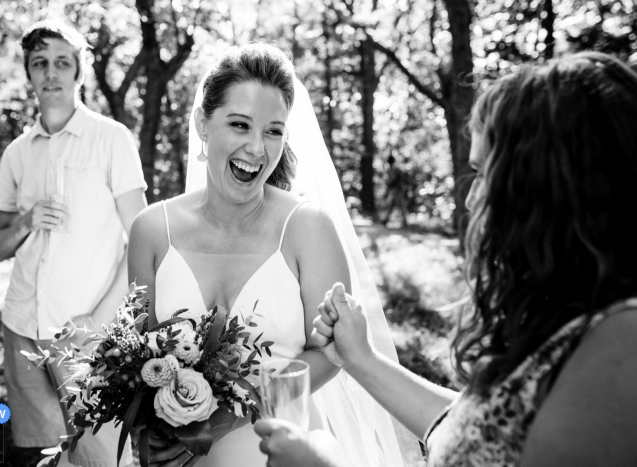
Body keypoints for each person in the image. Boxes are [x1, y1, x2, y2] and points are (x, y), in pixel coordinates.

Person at [255, 52, 637, 466]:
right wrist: (360, 359)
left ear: (549, 193)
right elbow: (484, 431)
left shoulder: (623, 348)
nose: (471, 200)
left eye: (485, 175)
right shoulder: (579, 318)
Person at [128, 43, 418, 467]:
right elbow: (138, 357)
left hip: (284, 446)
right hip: (176, 454)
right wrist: (148, 431)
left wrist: (228, 415)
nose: (258, 149)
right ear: (202, 124)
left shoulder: (308, 228)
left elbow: (332, 353)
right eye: (240, 125)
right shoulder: (151, 230)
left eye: (273, 131)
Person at [0, 20, 147, 467]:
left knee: (99, 457)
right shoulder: (17, 153)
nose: (51, 73)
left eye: (63, 62)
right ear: (28, 73)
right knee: (43, 456)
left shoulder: (111, 138)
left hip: (85, 334)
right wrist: (26, 220)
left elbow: (141, 238)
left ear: (80, 71)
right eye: (40, 63)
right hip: (21, 324)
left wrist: (98, 323)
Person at [380, 154, 408, 227]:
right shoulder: (392, 170)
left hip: (397, 190)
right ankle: (386, 220)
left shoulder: (395, 170)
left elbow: (393, 180)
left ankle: (405, 222)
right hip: (393, 190)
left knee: (400, 205)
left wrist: (389, 183)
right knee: (391, 205)